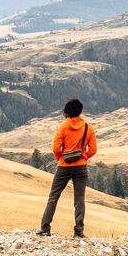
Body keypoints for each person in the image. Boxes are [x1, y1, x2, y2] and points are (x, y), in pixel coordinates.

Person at [39, 98, 97, 237]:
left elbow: (56, 148)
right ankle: (79, 231)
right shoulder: (88, 127)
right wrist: (84, 156)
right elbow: (93, 149)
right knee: (79, 199)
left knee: (53, 197)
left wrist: (61, 158)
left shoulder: (63, 127)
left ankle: (45, 229)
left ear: (67, 112)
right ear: (80, 111)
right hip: (80, 167)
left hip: (64, 167)